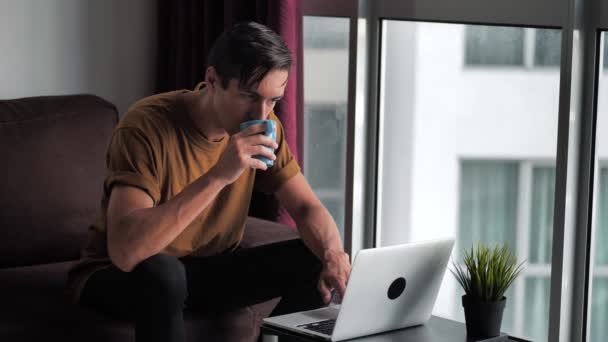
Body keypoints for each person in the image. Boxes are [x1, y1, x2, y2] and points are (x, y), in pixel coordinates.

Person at [66, 21, 351, 342]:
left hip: (205, 271)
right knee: (164, 273)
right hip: (121, 275)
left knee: (312, 256)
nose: (261, 113)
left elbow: (305, 206)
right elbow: (127, 251)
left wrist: (333, 254)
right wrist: (220, 174)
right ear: (213, 80)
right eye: (249, 96)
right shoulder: (145, 126)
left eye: (273, 101)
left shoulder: (265, 124)